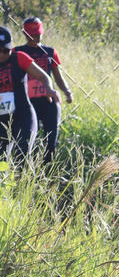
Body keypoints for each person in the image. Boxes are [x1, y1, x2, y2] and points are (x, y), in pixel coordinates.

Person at [14, 17, 72, 165]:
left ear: (42, 33)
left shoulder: (50, 52)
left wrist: (67, 91)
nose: (34, 37)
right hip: (27, 103)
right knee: (27, 141)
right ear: (24, 34)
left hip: (48, 102)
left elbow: (58, 77)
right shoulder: (17, 52)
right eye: (31, 34)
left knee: (51, 142)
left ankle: (48, 175)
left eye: (37, 34)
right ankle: (27, 174)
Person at [0, 25, 60, 168]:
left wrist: (49, 88)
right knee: (2, 161)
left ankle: (30, 188)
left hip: (24, 116)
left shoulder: (19, 58)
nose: (2, 54)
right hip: (2, 120)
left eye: (6, 50)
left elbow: (44, 76)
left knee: (23, 156)